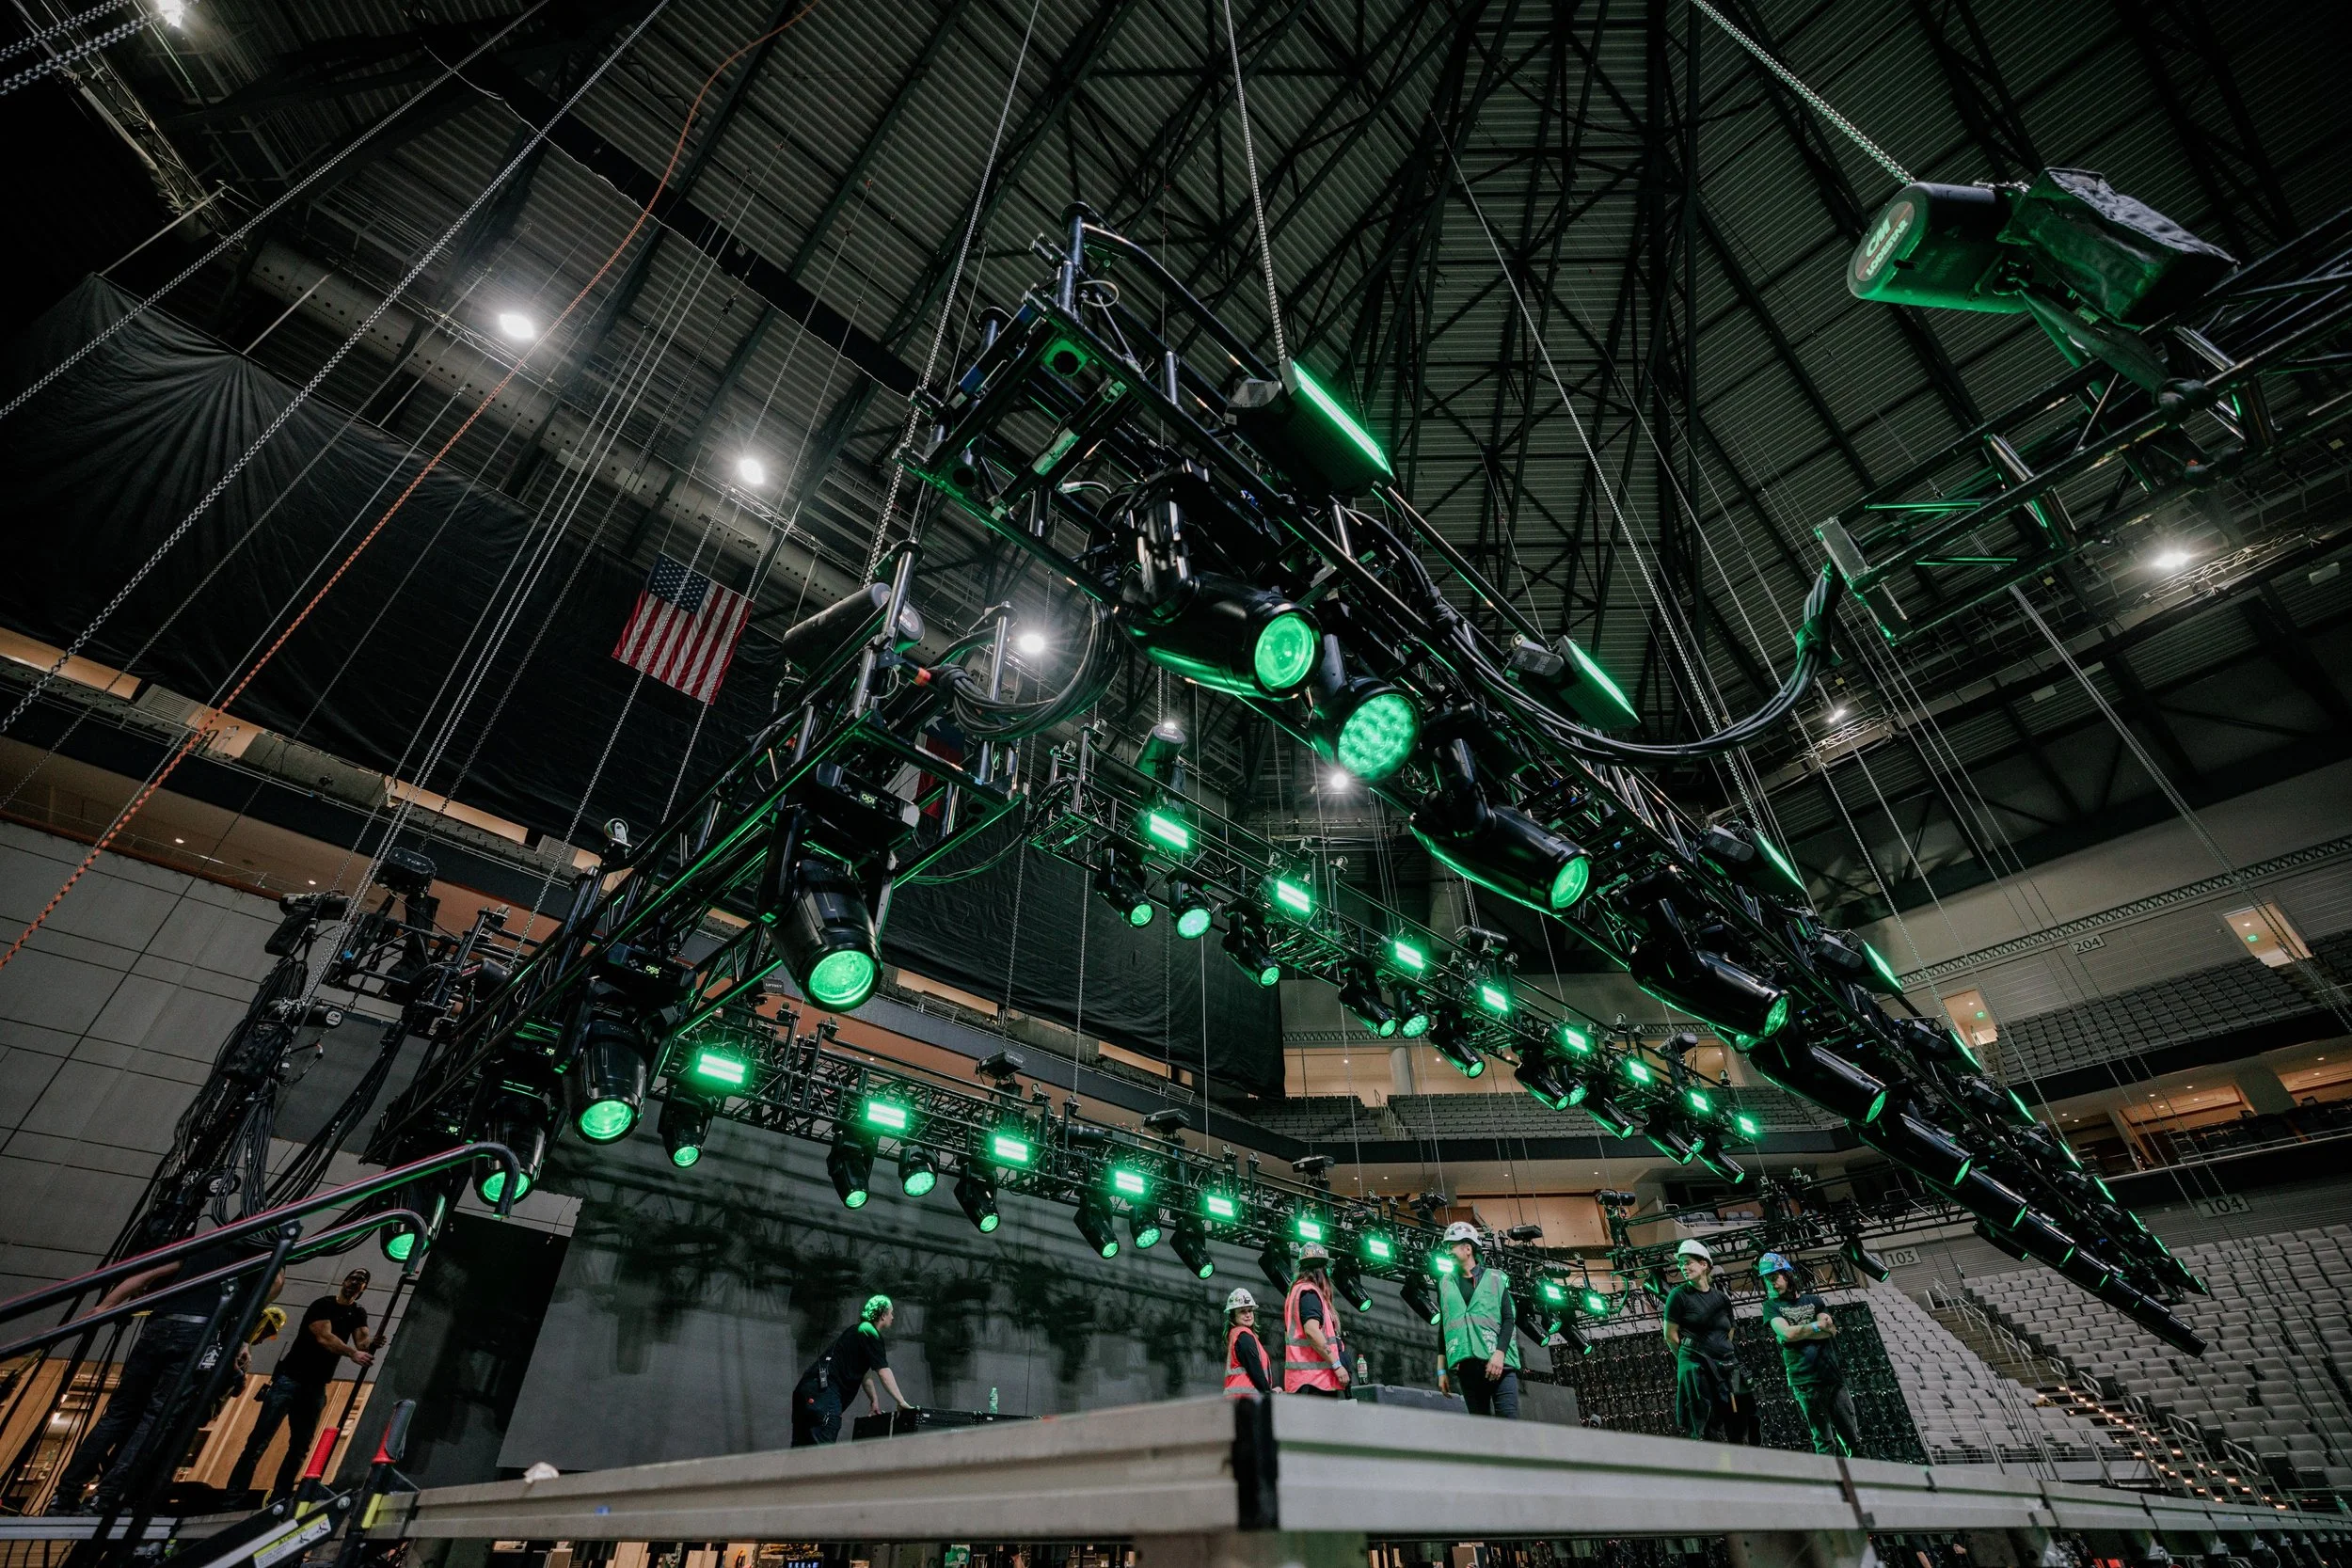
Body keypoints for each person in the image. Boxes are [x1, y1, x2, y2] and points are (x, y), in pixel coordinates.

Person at [48, 1229, 283, 1516]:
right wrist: (239, 1343)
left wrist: (104, 1307)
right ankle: (107, 1498)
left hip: (160, 1327)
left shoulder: (206, 1245)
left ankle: (65, 1495)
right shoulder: (263, 1258)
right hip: (199, 1333)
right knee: (155, 1419)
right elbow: (263, 1296)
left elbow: (148, 1274)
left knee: (118, 1414)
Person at [225, 1266, 373, 1501]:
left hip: (315, 1387)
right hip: (290, 1380)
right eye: (352, 1277)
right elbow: (323, 1336)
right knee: (259, 1440)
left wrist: (371, 1343)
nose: (355, 1282)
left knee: (300, 1447)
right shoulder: (322, 1304)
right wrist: (352, 1353)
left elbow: (363, 1342)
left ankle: (281, 1498)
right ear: (344, 1281)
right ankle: (233, 1496)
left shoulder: (358, 1313)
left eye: (361, 1280)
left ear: (364, 1288)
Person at [1759, 1252, 1862, 1458]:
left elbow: (1831, 1330)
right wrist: (1816, 1327)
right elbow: (1786, 1333)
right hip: (1804, 1381)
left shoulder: (1814, 1299)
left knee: (1853, 1439)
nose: (1772, 1285)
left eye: (1774, 1278)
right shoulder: (1771, 1306)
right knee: (1824, 1443)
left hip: (1832, 1378)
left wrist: (1798, 1334)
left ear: (1787, 1275)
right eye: (1767, 1281)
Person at [1661, 1238, 1757, 1445]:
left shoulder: (1721, 1299)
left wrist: (1720, 1352)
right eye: (1681, 1264)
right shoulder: (1678, 1296)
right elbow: (1671, 1335)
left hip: (1726, 1367)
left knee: (1739, 1421)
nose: (1683, 1267)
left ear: (1704, 1264)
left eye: (1688, 1262)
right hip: (1698, 1368)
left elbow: (1729, 1330)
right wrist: (1689, 1360)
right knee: (1707, 1424)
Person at [791, 1294, 913, 1446]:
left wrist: (873, 1399)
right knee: (820, 1452)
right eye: (891, 1313)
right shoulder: (869, 1331)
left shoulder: (856, 1331)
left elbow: (864, 1372)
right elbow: (883, 1371)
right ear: (882, 1315)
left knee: (799, 1451)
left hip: (808, 1390)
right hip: (824, 1393)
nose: (893, 1317)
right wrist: (901, 1401)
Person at [1432, 1221, 1519, 1418]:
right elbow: (1444, 1329)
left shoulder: (1495, 1278)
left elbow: (1508, 1320)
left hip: (1500, 1366)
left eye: (1451, 1246)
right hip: (1468, 1370)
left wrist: (1499, 1355)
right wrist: (1441, 1371)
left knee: (1510, 1427)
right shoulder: (1445, 1283)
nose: (1447, 1251)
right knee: (1482, 1432)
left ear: (1468, 1248)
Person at [1281, 1243, 1350, 1395]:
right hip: (1314, 1382)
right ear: (1322, 1272)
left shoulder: (1298, 1291)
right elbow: (1312, 1331)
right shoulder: (1309, 1293)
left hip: (1306, 1381)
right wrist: (1337, 1365)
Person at [1223, 1288, 1273, 1396]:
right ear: (1233, 1316)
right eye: (1242, 1311)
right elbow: (1256, 1372)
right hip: (1246, 1399)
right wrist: (1270, 1394)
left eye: (1250, 1310)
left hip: (1239, 1399)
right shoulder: (1243, 1337)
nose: (1248, 1315)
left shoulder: (1236, 1335)